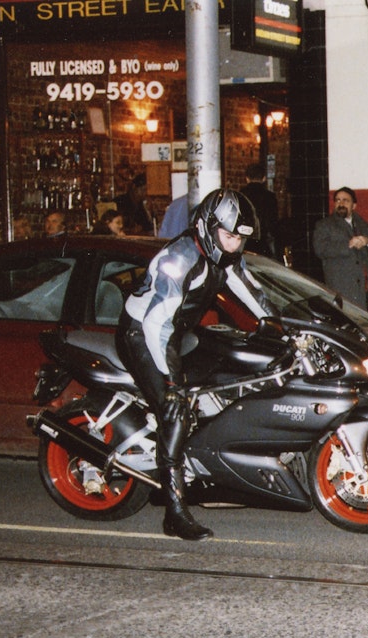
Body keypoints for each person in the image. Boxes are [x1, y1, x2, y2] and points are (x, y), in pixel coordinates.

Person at [115, 189, 276, 541]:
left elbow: (250, 290)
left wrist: (281, 326)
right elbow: (157, 325)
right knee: (176, 411)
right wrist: (172, 387)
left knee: (225, 371)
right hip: (143, 335)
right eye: (228, 236)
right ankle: (174, 513)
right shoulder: (179, 258)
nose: (234, 245)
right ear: (208, 225)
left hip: (179, 331)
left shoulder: (224, 256)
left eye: (239, 239)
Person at [313, 186, 368, 314]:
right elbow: (320, 249)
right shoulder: (325, 225)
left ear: (354, 205)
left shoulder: (361, 223)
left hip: (364, 289)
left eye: (346, 201)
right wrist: (348, 245)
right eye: (338, 200)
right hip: (342, 287)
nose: (341, 204)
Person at [240, 163, 280, 258]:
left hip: (245, 241)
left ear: (247, 178)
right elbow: (273, 223)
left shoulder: (241, 195)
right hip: (263, 242)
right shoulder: (270, 197)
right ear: (264, 178)